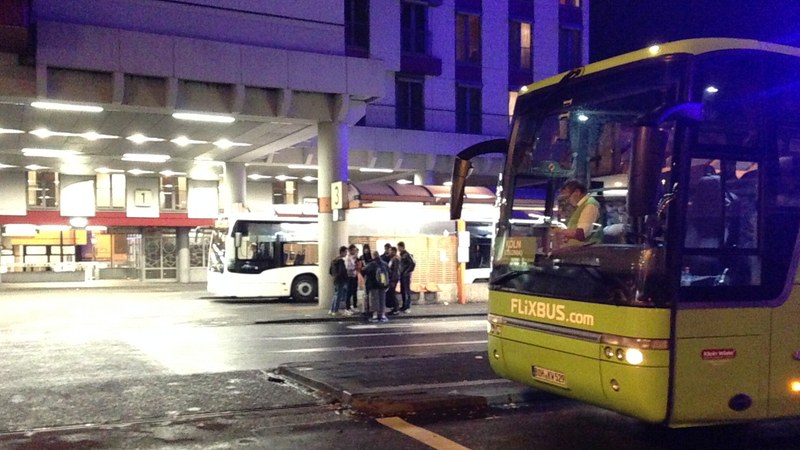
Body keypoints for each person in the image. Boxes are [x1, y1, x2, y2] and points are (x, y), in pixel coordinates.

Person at [554, 179, 601, 246]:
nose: (568, 200)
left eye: (568, 197)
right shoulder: (581, 206)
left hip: (585, 250)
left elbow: (581, 234)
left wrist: (559, 231)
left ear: (577, 192)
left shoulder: (590, 205)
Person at [363, 250, 389, 322]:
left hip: (373, 285)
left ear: (373, 256)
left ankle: (375, 315)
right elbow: (389, 273)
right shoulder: (385, 264)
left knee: (374, 300)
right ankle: (382, 314)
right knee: (382, 299)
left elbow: (364, 271)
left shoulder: (371, 264)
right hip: (383, 284)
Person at [328, 246, 350, 316]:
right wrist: (346, 278)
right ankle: (335, 310)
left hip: (335, 279)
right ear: (342, 252)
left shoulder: (334, 260)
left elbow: (330, 271)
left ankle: (331, 309)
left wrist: (334, 276)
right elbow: (342, 271)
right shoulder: (340, 261)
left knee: (335, 294)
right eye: (345, 252)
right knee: (339, 295)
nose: (346, 254)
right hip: (341, 280)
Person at [397, 241, 416, 313]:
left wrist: (407, 271)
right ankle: (404, 306)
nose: (398, 249)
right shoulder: (402, 255)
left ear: (402, 247)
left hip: (406, 276)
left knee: (406, 291)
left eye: (399, 247)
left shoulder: (406, 255)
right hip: (402, 275)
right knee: (403, 290)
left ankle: (407, 306)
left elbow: (413, 263)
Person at [386, 246, 401, 315]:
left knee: (392, 293)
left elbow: (395, 270)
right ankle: (393, 308)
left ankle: (396, 308)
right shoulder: (392, 259)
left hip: (393, 279)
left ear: (394, 252)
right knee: (391, 293)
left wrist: (392, 280)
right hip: (391, 278)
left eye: (390, 251)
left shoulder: (396, 259)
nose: (389, 252)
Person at [345, 244, 360, 312]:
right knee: (349, 292)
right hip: (350, 276)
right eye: (354, 250)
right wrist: (355, 268)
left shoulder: (353, 257)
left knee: (354, 291)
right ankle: (347, 307)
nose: (355, 251)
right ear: (350, 250)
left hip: (354, 275)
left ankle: (354, 305)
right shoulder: (348, 258)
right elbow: (348, 267)